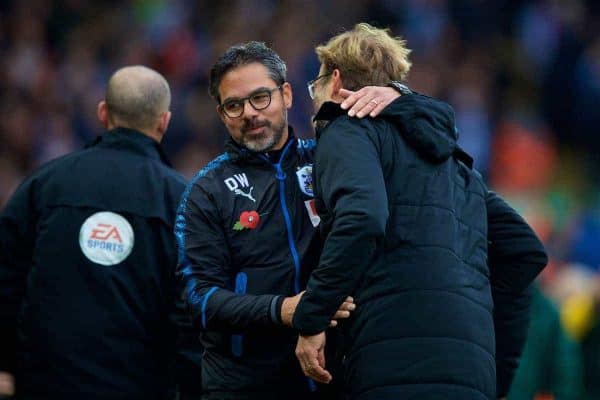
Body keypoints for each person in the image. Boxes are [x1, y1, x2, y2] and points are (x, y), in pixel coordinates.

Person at [291, 23, 548, 400]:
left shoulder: (345, 127)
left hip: (390, 369)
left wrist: (312, 316)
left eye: (315, 88)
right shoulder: (458, 168)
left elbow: (362, 219)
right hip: (469, 378)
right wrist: (494, 371)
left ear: (335, 81)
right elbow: (526, 252)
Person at [175, 41, 401, 400]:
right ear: (221, 114)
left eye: (261, 97)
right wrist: (282, 310)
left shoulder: (331, 161)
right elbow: (199, 300)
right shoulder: (206, 191)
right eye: (234, 105)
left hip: (336, 378)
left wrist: (398, 98)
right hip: (244, 387)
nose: (249, 112)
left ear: (287, 95)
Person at [0, 65, 187, 399]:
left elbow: (6, 280)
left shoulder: (44, 184)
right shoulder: (180, 201)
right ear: (164, 121)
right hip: (138, 388)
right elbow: (190, 310)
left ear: (103, 112)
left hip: (43, 386)